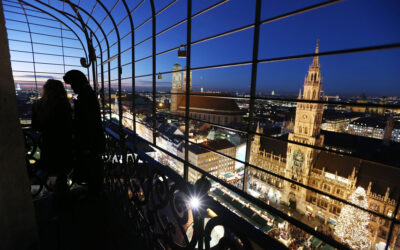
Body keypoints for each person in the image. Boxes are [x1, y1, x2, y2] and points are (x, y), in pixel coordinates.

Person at [63, 70, 105, 199]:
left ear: (77, 82)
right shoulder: (87, 93)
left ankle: (93, 195)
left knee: (91, 169)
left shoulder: (84, 95)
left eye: (71, 84)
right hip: (92, 138)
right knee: (92, 168)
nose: (72, 87)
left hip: (89, 140)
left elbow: (85, 120)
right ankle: (93, 193)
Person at [32, 79, 73, 211]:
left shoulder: (37, 105)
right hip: (63, 144)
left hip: (48, 144)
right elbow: (69, 126)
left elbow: (35, 127)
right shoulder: (64, 105)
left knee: (52, 173)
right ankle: (63, 204)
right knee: (62, 175)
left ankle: (56, 204)